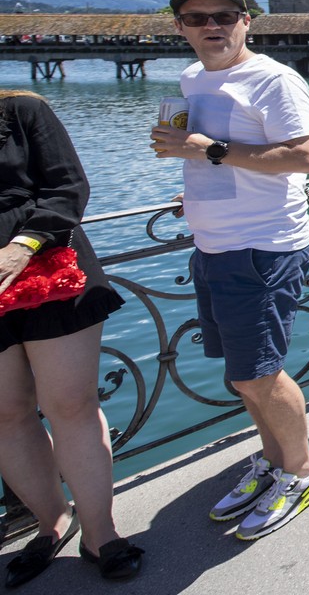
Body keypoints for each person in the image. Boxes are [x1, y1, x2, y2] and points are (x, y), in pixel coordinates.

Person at [151, 0, 309, 541]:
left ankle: (302, 470)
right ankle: (273, 463)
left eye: (224, 16)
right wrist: (194, 184)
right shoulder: (191, 78)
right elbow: (218, 160)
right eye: (197, 18)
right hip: (212, 242)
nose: (212, 27)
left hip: (262, 245)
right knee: (242, 377)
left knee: (260, 372)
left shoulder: (275, 80)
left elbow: (304, 157)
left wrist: (212, 150)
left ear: (245, 21)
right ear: (181, 27)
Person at [1, 91, 141, 584]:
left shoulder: (21, 110)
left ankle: (100, 533)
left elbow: (67, 187)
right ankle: (50, 522)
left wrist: (22, 246)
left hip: (47, 264)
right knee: (7, 412)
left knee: (71, 404)